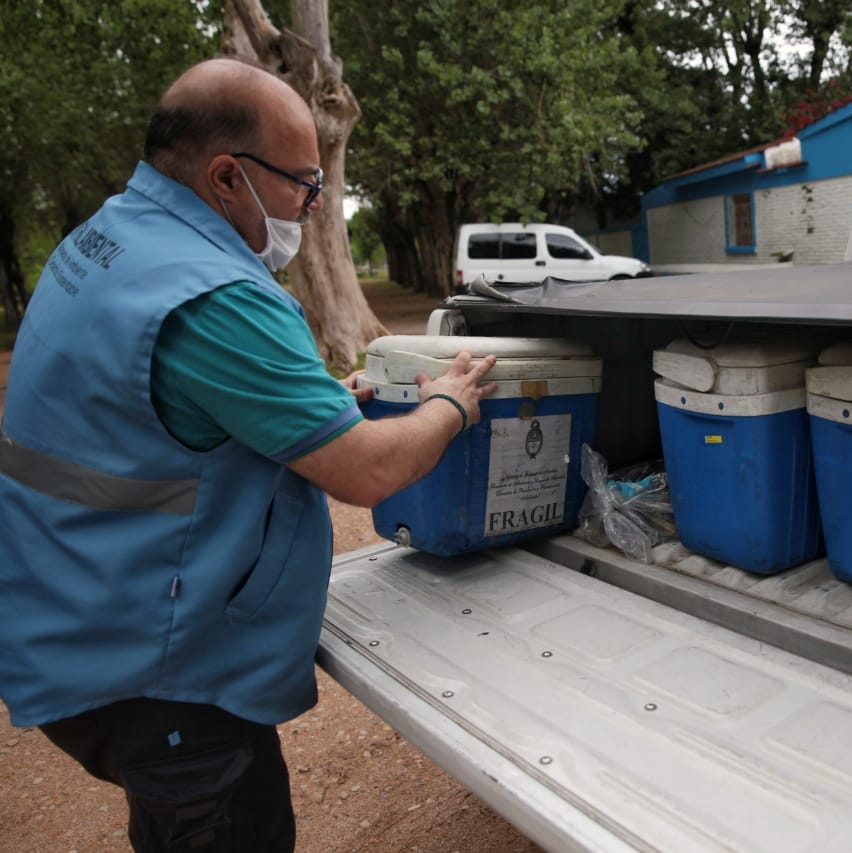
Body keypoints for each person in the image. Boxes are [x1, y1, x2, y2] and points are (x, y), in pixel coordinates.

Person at [0, 58, 496, 851]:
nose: (313, 203)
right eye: (304, 183)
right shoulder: (212, 294)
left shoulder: (109, 238)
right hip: (155, 670)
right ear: (227, 175)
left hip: (69, 609)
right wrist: (450, 405)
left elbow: (167, 406)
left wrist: (325, 399)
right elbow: (367, 471)